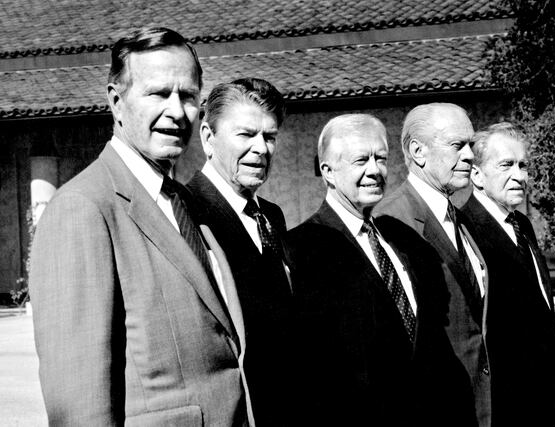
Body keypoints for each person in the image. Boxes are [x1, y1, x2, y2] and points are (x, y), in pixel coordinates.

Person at [29, 27, 252, 426]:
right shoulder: (83, 208)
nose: (177, 111)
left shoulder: (185, 202)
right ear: (116, 101)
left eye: (188, 96)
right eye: (158, 94)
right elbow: (79, 405)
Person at [287, 114, 477, 426]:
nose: (375, 170)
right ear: (328, 172)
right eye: (361, 160)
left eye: (381, 158)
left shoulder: (403, 239)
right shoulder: (301, 250)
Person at [186, 77, 295, 426]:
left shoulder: (272, 215)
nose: (261, 148)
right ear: (207, 138)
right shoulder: (186, 212)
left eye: (270, 136)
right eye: (246, 135)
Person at [375, 103, 492, 426]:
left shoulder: (461, 218)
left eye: (470, 145)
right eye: (457, 145)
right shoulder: (391, 223)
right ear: (418, 151)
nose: (469, 156)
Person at [462, 123, 555, 427]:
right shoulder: (464, 228)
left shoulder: (522, 224)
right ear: (477, 175)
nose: (520, 176)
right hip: (504, 407)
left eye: (523, 165)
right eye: (506, 165)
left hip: (540, 403)